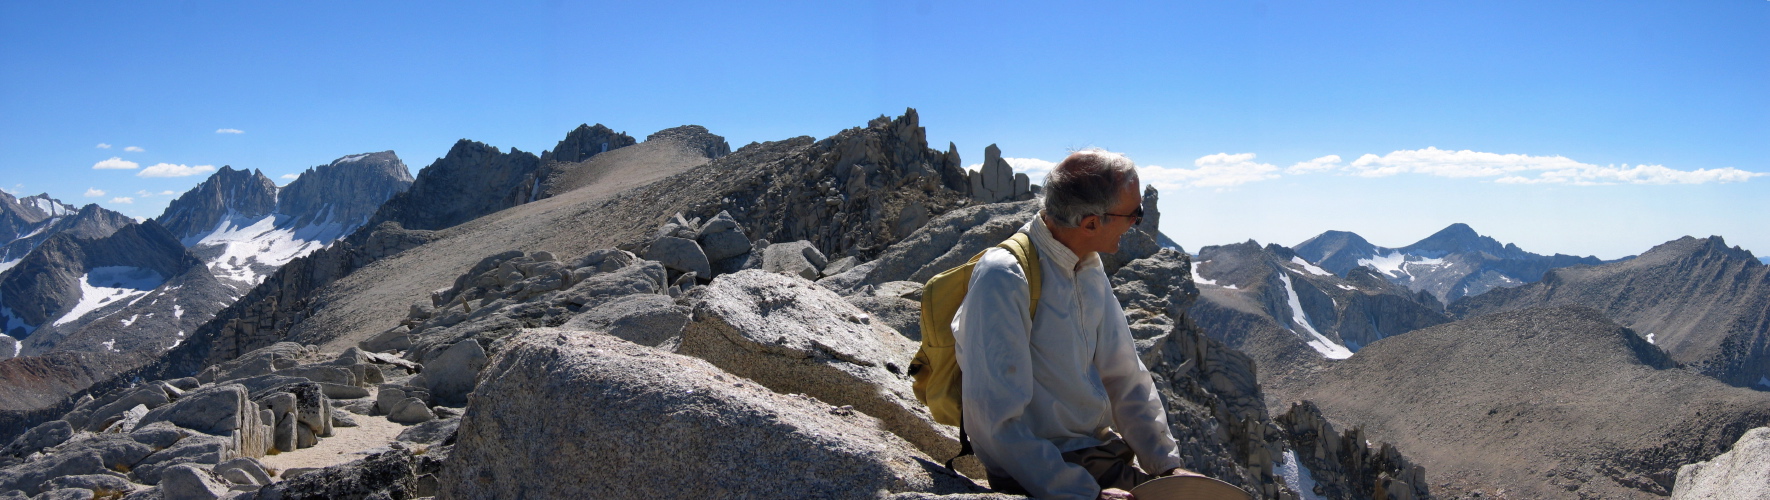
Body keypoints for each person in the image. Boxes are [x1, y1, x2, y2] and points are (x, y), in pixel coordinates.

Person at [952, 148, 1184, 500]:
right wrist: (1082, 494)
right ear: (1091, 223)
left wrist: (1167, 466)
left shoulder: (1086, 264)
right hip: (1044, 472)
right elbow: (993, 422)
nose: (1138, 221)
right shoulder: (1004, 277)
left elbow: (1124, 375)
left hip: (1097, 458)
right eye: (1134, 213)